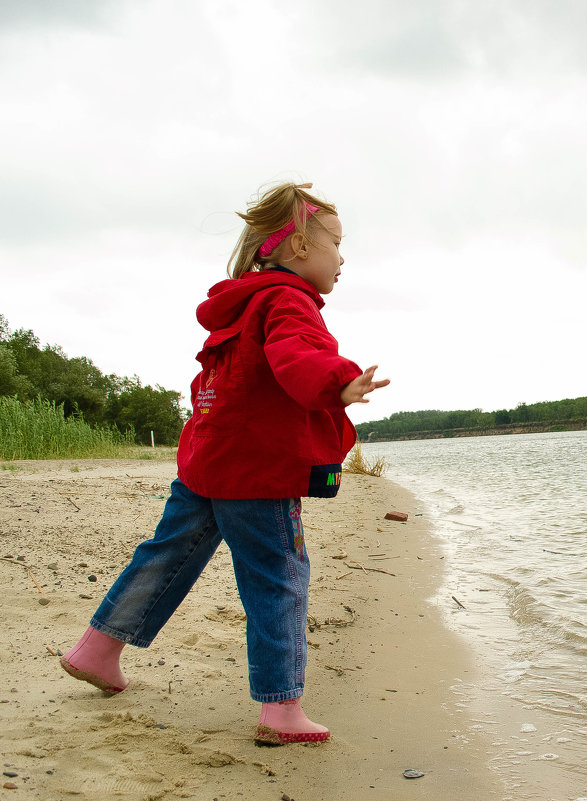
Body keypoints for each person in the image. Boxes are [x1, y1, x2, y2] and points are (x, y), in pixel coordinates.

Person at [59, 181, 389, 745]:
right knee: (277, 578)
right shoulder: (288, 302)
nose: (343, 257)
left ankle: (97, 648)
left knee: (166, 556)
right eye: (336, 242)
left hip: (207, 462)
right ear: (299, 248)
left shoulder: (241, 304)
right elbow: (297, 356)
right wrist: (338, 384)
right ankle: (282, 708)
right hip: (255, 472)